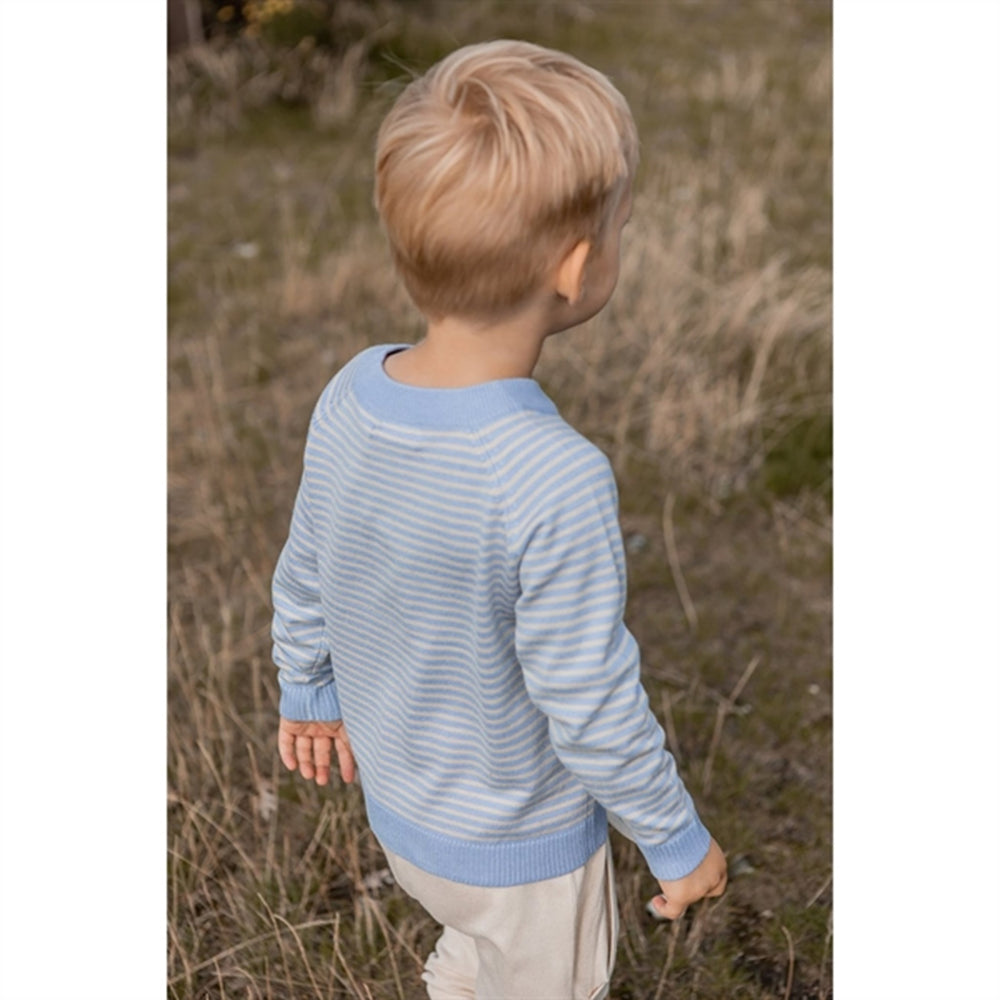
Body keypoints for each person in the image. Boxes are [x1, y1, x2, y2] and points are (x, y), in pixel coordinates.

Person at [271, 39, 727, 1000]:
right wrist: (675, 838)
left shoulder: (351, 392)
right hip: (524, 854)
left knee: (472, 954)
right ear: (576, 267)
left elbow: (307, 561)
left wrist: (306, 684)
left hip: (404, 817)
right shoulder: (555, 476)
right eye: (621, 226)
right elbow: (589, 701)